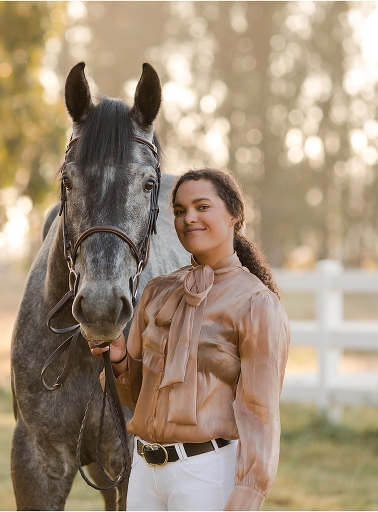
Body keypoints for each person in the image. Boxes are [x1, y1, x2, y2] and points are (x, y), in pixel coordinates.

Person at [92, 167, 290, 511]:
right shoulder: (157, 291)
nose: (189, 219)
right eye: (180, 211)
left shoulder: (257, 303)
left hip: (206, 473)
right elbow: (135, 398)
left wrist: (249, 493)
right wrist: (121, 359)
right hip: (143, 472)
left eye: (202, 207)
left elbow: (260, 414)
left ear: (234, 215)